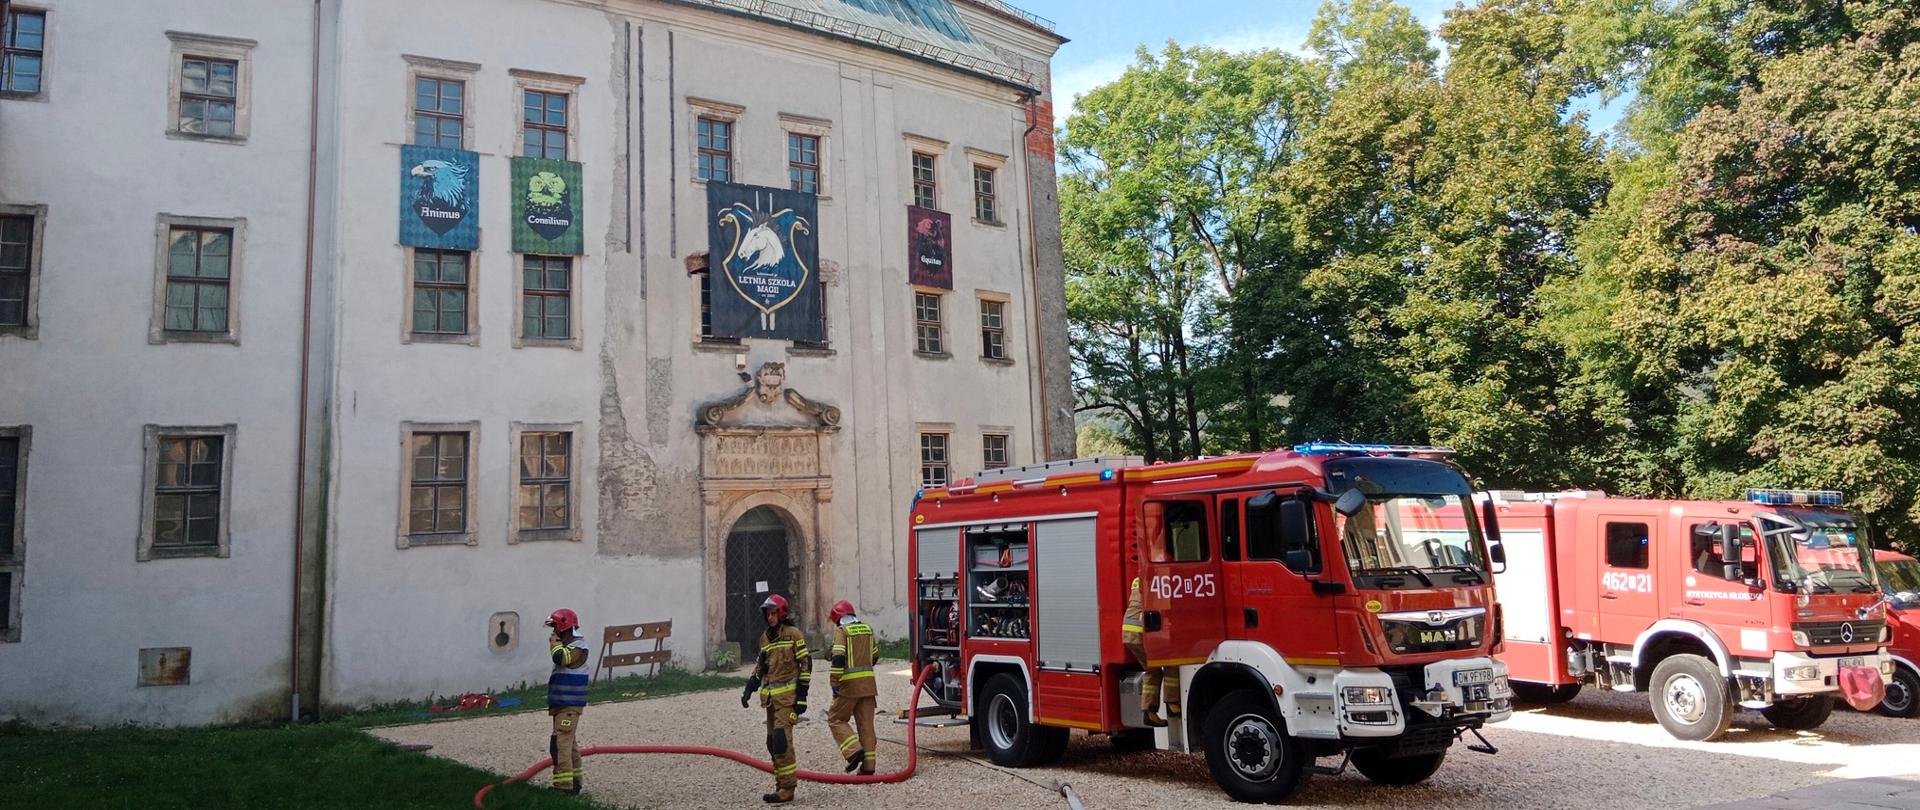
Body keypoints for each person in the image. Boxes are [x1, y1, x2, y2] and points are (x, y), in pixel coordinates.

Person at [742, 594, 810, 803]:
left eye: (773, 613)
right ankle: (780, 783)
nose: (770, 617)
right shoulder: (765, 638)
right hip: (771, 701)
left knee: (781, 740)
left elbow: (805, 664)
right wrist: (749, 688)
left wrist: (802, 696)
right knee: (772, 743)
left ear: (781, 613)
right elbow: (761, 666)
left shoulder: (793, 634)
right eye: (767, 614)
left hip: (788, 700)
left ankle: (788, 789)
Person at [824, 599, 878, 775]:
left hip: (848, 686)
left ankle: (853, 751)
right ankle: (869, 767)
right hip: (869, 686)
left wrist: (834, 682)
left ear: (838, 618)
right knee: (866, 725)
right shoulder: (868, 629)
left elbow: (838, 657)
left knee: (835, 718)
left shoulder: (842, 631)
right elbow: (875, 656)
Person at [1122, 572, 1178, 727]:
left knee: (1152, 669)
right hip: (1141, 631)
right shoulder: (1157, 580)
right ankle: (1173, 704)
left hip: (1128, 631)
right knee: (1172, 662)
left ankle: (1149, 712)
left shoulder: (1137, 579)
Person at [545, 608, 592, 794]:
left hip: (569, 706)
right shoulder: (571, 645)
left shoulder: (578, 647)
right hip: (562, 705)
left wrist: (554, 644)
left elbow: (560, 658)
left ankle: (563, 787)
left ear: (564, 627)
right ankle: (575, 783)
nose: (553, 633)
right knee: (569, 745)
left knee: (560, 745)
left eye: (555, 628)